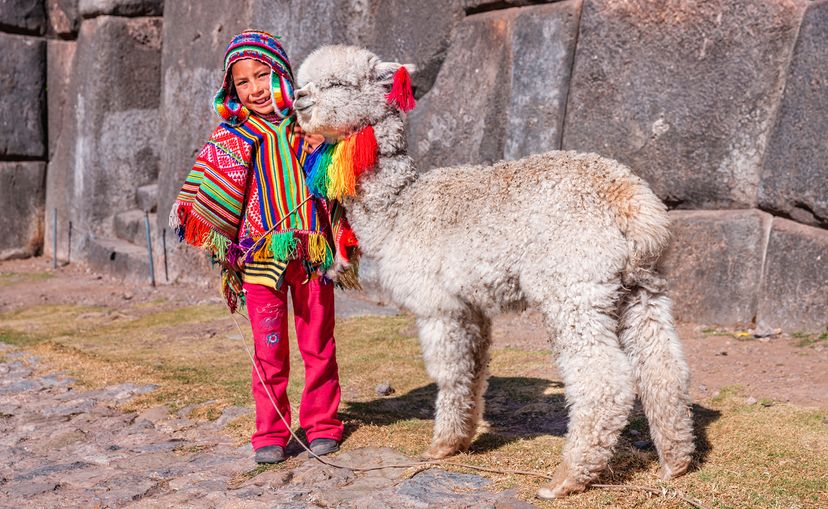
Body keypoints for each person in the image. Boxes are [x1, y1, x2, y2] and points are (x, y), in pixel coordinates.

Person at [169, 30, 358, 464]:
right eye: (243, 81)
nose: (254, 88)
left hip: (312, 254)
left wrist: (329, 147)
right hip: (258, 260)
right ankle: (270, 429)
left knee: (318, 344)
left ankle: (322, 423)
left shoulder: (311, 125)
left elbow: (349, 165)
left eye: (262, 74)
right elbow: (205, 192)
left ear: (282, 73)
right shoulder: (230, 137)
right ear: (230, 88)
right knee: (268, 349)